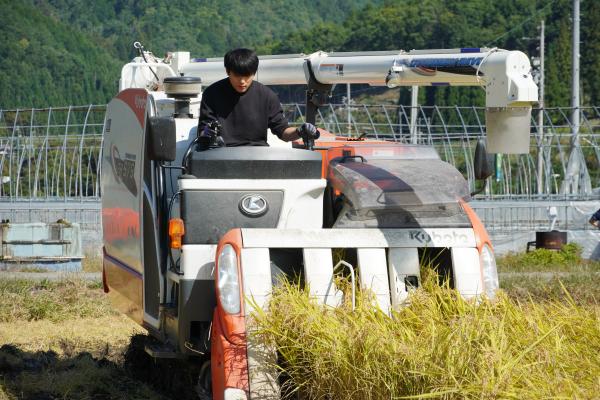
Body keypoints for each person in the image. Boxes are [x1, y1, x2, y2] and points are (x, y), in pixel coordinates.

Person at [197, 48, 318, 146]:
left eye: (247, 75)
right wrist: (208, 135)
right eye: (237, 76)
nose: (243, 81)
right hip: (220, 156)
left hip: (257, 157)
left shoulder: (267, 96)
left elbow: (283, 132)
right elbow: (204, 130)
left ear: (254, 73)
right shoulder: (212, 93)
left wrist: (300, 131)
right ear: (228, 71)